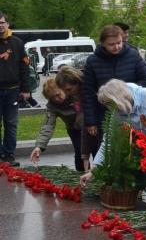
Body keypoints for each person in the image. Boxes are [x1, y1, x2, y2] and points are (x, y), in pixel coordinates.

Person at [78, 78, 146, 186]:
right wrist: (94, 171)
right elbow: (108, 141)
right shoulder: (117, 113)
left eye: (110, 104)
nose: (109, 108)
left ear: (118, 99)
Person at [82, 24, 146, 160]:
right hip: (105, 114)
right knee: (108, 150)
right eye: (111, 44)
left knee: (135, 150)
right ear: (102, 44)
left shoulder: (133, 55)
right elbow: (88, 92)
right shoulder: (93, 61)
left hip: (133, 111)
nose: (116, 47)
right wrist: (90, 121)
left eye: (119, 43)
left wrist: (127, 91)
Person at [30, 70, 86, 170]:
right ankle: (81, 176)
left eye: (58, 94)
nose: (57, 99)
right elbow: (48, 125)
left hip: (90, 124)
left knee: (96, 151)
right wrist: (39, 146)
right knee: (79, 153)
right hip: (74, 129)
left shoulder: (75, 92)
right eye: (52, 98)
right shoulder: (52, 106)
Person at [0, 13, 31, 165]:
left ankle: (9, 155)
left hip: (13, 90)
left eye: (2, 23)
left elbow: (25, 67)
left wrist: (25, 89)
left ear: (7, 24)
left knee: (11, 123)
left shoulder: (18, 43)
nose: (0, 26)